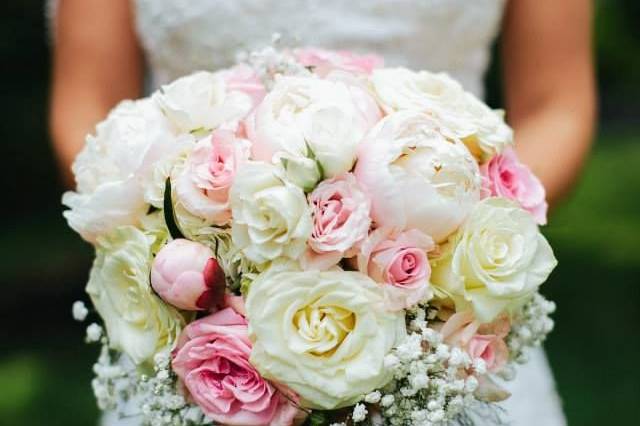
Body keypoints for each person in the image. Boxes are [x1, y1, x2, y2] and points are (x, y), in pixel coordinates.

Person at [49, 1, 596, 425]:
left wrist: (443, 261)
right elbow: (86, 103)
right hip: (204, 336)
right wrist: (198, 256)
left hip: (446, 328)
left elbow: (557, 104)